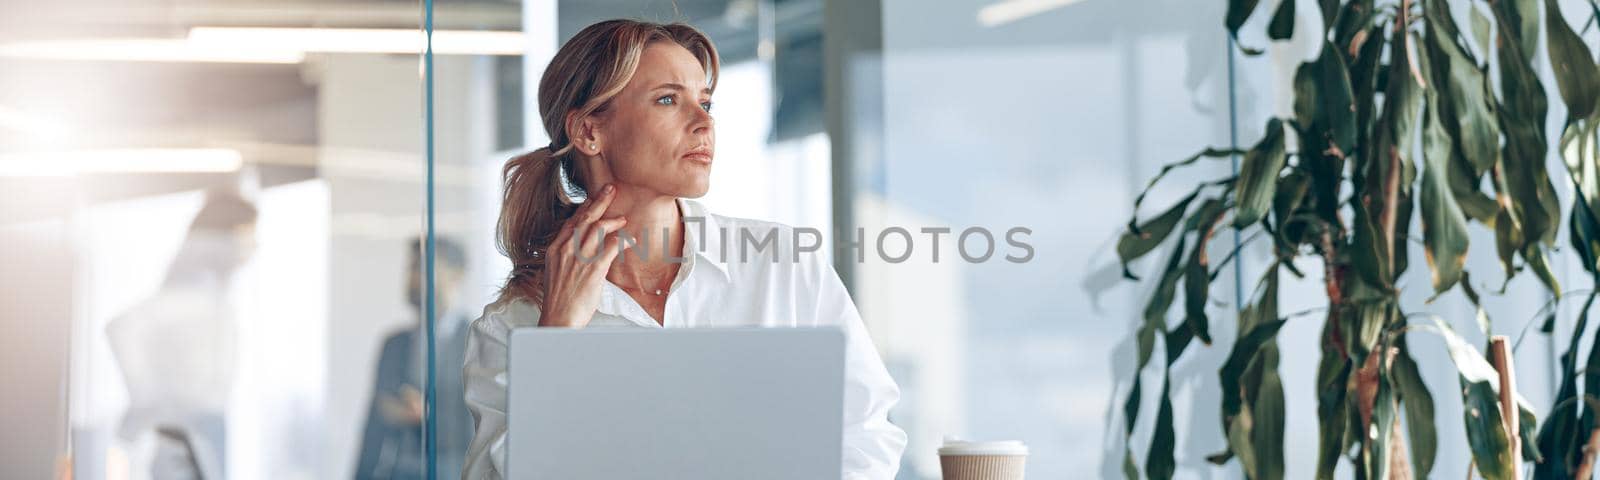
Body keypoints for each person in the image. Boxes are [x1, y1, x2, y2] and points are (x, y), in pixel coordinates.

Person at [461, 19, 907, 480]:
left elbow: (865, 436)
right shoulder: (513, 324)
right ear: (590, 131)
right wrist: (555, 339)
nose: (704, 122)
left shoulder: (783, 264)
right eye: (669, 100)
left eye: (706, 102)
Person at [106, 190, 259, 480]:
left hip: (196, 436)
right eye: (247, 234)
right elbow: (121, 328)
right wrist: (154, 398)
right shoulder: (195, 295)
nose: (254, 245)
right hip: (177, 438)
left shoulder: (215, 297)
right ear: (221, 237)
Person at [354, 236, 474, 479]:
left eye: (422, 267)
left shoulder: (478, 342)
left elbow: (481, 428)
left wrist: (426, 417)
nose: (412, 277)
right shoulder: (393, 345)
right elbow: (373, 430)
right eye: (410, 268)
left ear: (456, 275)